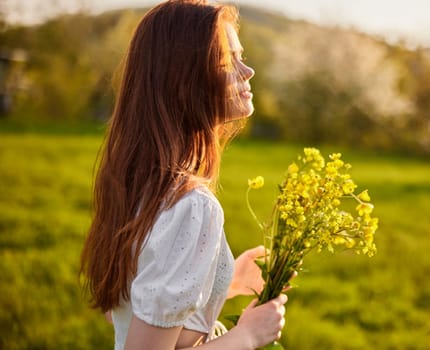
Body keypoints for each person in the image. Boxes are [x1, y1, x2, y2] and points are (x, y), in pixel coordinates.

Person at [80, 1, 287, 349]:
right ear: (184, 81)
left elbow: (132, 306)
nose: (247, 70)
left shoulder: (138, 181)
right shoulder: (192, 205)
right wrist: (248, 335)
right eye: (226, 62)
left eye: (241, 55)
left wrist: (224, 279)